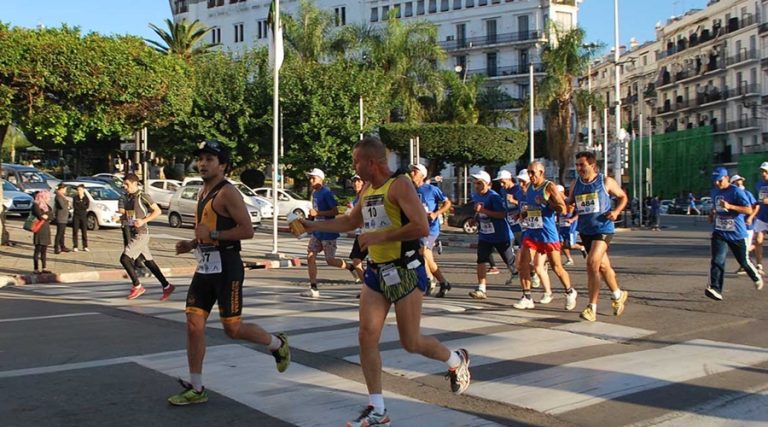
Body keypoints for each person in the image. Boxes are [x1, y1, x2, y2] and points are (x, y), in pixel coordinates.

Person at [298, 136, 470, 427]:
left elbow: (421, 226)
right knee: (366, 335)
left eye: (356, 161)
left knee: (411, 342)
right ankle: (376, 408)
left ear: (372, 162)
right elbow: (350, 222)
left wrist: (379, 236)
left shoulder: (399, 184)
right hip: (378, 272)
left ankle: (455, 360)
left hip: (405, 269)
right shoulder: (367, 189)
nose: (353, 167)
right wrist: (311, 225)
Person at [168, 140, 290, 406]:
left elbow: (247, 230)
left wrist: (213, 235)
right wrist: (190, 244)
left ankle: (276, 345)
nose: (202, 163)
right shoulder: (202, 190)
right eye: (200, 159)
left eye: (210, 159)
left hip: (227, 266)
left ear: (223, 165)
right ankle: (197, 388)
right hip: (205, 266)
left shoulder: (228, 193)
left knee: (232, 329)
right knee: (193, 323)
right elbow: (204, 230)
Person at [568, 152, 628, 321]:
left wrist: (616, 211)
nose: (578, 168)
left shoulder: (605, 181)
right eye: (577, 165)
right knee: (603, 266)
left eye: (582, 165)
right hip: (586, 230)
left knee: (592, 262)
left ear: (592, 166)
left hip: (603, 228)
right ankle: (618, 294)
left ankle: (591, 307)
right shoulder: (575, 184)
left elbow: (623, 197)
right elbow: (570, 202)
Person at [513, 161, 577, 311]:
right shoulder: (529, 187)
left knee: (556, 267)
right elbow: (531, 207)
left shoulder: (549, 187)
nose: (530, 176)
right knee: (523, 263)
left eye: (532, 173)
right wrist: (522, 214)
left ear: (541, 173)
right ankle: (527, 297)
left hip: (548, 233)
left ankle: (570, 291)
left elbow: (562, 208)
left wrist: (546, 202)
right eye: (528, 172)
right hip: (532, 232)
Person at [705, 167, 763, 301]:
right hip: (720, 231)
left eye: (719, 181)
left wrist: (730, 206)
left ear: (726, 178)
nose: (717, 184)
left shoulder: (736, 192)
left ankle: (755, 277)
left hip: (736, 233)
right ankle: (715, 289)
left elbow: (749, 210)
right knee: (717, 260)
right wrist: (711, 214)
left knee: (743, 261)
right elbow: (716, 206)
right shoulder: (714, 192)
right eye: (714, 181)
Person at [301, 168, 357, 298]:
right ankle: (313, 287)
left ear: (321, 179)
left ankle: (351, 268)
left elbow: (335, 211)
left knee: (330, 260)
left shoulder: (326, 193)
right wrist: (308, 220)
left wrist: (318, 213)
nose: (311, 180)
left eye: (313, 178)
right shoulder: (314, 193)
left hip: (328, 230)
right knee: (310, 256)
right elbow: (315, 212)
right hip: (317, 231)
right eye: (310, 178)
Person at [119, 173, 175, 301]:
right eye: (124, 184)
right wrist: (121, 218)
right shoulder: (128, 197)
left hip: (141, 234)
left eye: (127, 184)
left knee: (125, 259)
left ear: (134, 183)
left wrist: (143, 221)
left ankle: (137, 286)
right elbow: (130, 216)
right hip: (135, 232)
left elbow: (158, 211)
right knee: (149, 262)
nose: (124, 186)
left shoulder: (142, 196)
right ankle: (167, 286)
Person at [467, 171, 517, 300]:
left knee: (512, 264)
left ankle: (531, 273)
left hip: (501, 235)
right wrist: (475, 219)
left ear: (487, 184)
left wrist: (483, 211)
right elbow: (479, 213)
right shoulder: (476, 196)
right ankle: (481, 289)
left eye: (479, 183)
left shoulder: (493, 197)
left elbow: (501, 214)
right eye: (475, 183)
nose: (476, 186)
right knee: (481, 259)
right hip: (485, 235)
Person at [410, 163, 453, 297]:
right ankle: (441, 282)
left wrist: (436, 213)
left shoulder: (431, 189)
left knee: (423, 252)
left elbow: (447, 203)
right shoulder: (409, 190)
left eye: (415, 171)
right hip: (416, 228)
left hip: (430, 228)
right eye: (411, 171)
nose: (412, 173)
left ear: (422, 175)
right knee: (424, 256)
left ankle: (430, 280)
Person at [729, 175, 759, 275]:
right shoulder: (731, 195)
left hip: (747, 225)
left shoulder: (747, 193)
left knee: (744, 250)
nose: (740, 183)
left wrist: (750, 217)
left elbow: (756, 207)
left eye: (741, 181)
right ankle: (753, 247)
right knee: (740, 249)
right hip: (737, 225)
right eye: (737, 182)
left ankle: (751, 272)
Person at [556, 185, 587, 266]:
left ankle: (581, 247)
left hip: (571, 227)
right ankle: (569, 259)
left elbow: (579, 212)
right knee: (561, 244)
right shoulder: (556, 202)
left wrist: (572, 219)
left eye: (557, 192)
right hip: (562, 226)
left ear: (561, 192)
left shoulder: (569, 201)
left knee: (570, 245)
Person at [348, 175, 367, 288]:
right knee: (356, 261)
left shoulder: (366, 196)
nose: (356, 184)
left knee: (374, 264)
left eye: (359, 181)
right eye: (354, 181)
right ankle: (367, 287)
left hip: (370, 234)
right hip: (360, 233)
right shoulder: (356, 199)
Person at [31, 190, 52, 274]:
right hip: (39, 229)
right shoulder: (36, 205)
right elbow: (40, 216)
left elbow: (52, 216)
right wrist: (45, 216)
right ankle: (36, 268)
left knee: (44, 250)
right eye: (47, 197)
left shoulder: (47, 206)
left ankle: (44, 267)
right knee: (37, 249)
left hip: (46, 229)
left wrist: (46, 216)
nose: (48, 199)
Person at [752, 162, 768, 271]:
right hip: (762, 216)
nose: (763, 173)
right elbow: (758, 200)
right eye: (762, 171)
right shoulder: (759, 184)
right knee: (758, 241)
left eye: (766, 171)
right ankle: (759, 265)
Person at [53, 184, 70, 254]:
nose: (65, 190)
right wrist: (67, 203)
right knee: (59, 233)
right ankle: (56, 247)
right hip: (60, 217)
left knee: (62, 233)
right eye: (65, 189)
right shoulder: (58, 196)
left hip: (64, 216)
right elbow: (62, 205)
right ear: (61, 189)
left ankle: (62, 246)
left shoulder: (62, 196)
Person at [71, 184, 89, 252]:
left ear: (83, 190)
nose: (79, 191)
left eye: (80, 190)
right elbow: (75, 206)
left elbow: (86, 207)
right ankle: (75, 246)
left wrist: (81, 203)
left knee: (84, 231)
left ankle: (85, 246)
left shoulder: (86, 198)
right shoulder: (75, 198)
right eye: (78, 190)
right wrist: (81, 204)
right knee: (75, 231)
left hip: (83, 216)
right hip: (76, 216)